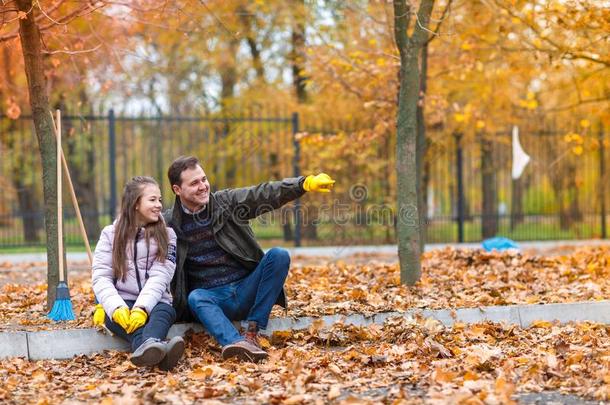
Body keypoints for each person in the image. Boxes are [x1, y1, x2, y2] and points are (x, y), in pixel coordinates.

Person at [164, 156, 335, 362]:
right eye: (194, 183)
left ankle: (252, 333)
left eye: (204, 179)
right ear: (177, 190)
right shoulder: (168, 224)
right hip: (214, 300)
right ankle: (236, 343)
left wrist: (302, 184)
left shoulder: (226, 203)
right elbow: (134, 237)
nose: (203, 186)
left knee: (278, 255)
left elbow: (262, 194)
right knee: (196, 297)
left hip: (247, 289)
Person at [92, 176, 184, 371]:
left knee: (164, 313)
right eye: (152, 200)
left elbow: (161, 276)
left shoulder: (168, 235)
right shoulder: (110, 234)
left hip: (157, 302)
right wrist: (115, 307)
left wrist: (142, 308)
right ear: (135, 203)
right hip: (121, 302)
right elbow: (101, 277)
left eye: (159, 199)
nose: (159, 205)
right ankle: (160, 354)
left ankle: (149, 348)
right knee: (120, 321)